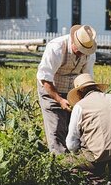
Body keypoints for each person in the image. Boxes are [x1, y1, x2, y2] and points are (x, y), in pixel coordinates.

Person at [37, 25, 98, 154]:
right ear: (74, 41)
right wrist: (59, 100)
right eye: (80, 49)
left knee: (74, 126)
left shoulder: (89, 53)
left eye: (85, 51)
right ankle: (60, 164)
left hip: (73, 90)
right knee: (57, 126)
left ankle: (77, 158)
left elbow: (87, 78)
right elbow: (45, 78)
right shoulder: (57, 47)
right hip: (51, 88)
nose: (82, 53)